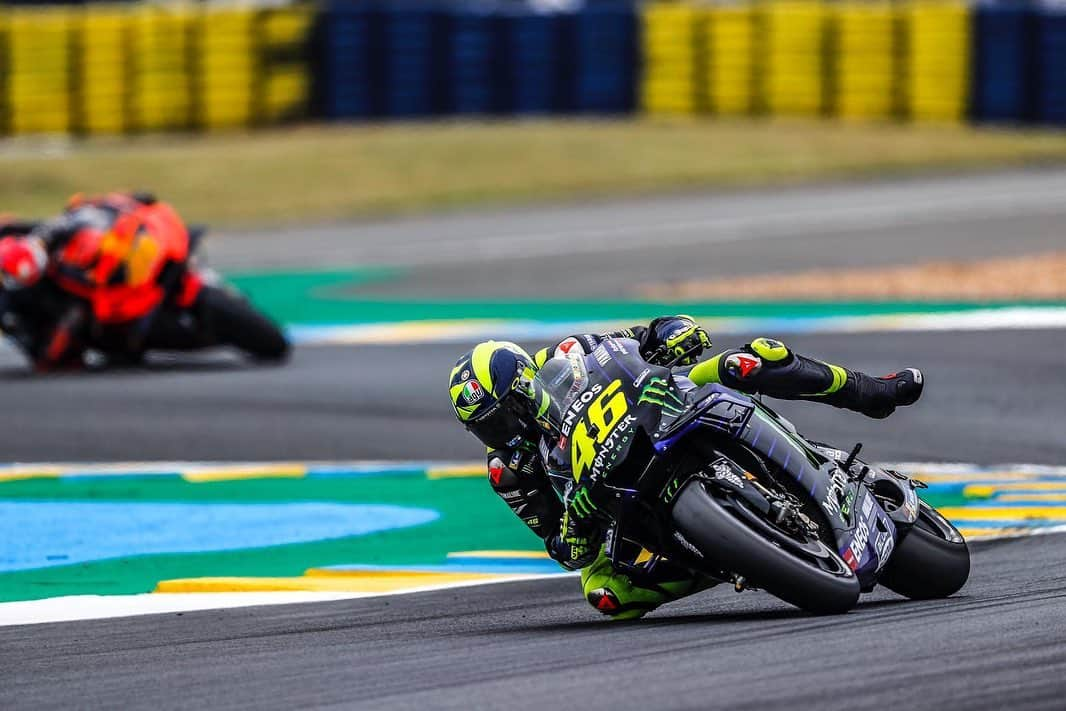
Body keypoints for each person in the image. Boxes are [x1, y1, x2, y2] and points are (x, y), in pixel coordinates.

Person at [448, 316, 923, 620]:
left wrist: (674, 332)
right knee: (607, 593)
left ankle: (869, 392)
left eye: (504, 414)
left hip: (666, 405)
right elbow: (561, 546)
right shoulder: (510, 470)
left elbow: (642, 341)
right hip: (615, 495)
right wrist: (575, 527)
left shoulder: (572, 354)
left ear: (525, 384)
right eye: (487, 428)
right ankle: (730, 558)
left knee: (749, 359)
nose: (504, 431)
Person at [0, 191, 284, 370]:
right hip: (99, 312)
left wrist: (138, 212)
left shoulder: (55, 231)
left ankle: (201, 282)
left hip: (131, 280)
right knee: (83, 351)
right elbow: (49, 353)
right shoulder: (20, 301)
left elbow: (105, 206)